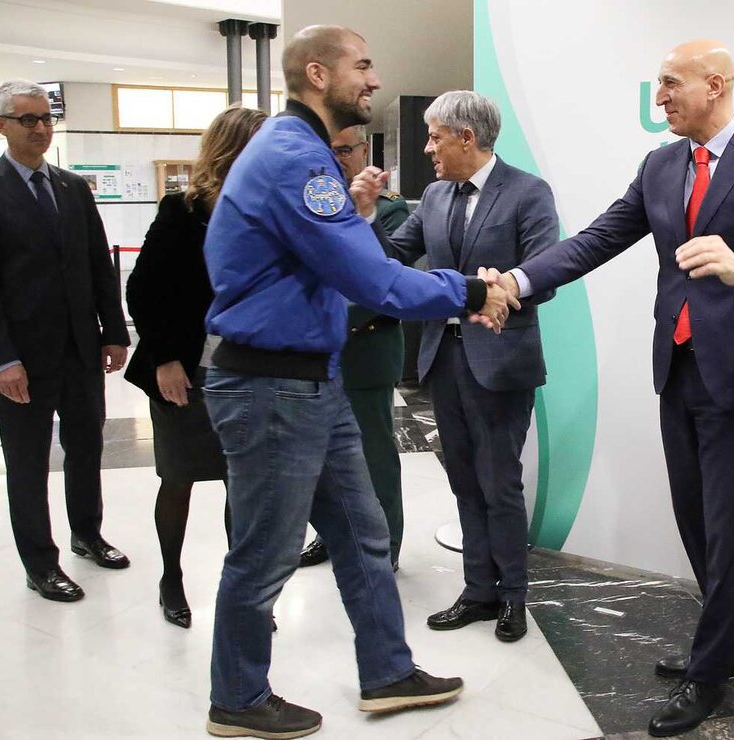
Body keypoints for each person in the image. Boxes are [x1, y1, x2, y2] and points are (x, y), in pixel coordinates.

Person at [488, 40, 734, 736]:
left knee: (730, 526)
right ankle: (732, 643)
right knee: (695, 518)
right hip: (677, 369)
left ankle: (709, 673)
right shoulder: (659, 164)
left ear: (717, 85)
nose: (661, 98)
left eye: (672, 85)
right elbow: (595, 239)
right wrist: (520, 281)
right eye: (658, 87)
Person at [200, 25, 515, 739]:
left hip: (311, 383)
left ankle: (387, 672)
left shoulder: (302, 154)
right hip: (272, 388)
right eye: (363, 66)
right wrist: (472, 291)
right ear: (318, 74)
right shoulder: (294, 158)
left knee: (364, 533)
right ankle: (238, 697)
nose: (373, 81)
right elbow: (373, 279)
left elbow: (339, 261)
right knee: (263, 554)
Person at [373, 90, 558, 642]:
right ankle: (478, 590)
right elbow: (393, 256)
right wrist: (361, 219)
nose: (428, 147)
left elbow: (544, 271)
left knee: (499, 482)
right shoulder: (432, 195)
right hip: (441, 358)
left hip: (500, 361)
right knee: (462, 481)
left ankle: (513, 599)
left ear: (465, 137)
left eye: (434, 137)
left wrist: (500, 289)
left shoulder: (528, 192)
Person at [0, 80, 131, 603]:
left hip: (80, 349)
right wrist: (1, 359)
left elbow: (98, 265)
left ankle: (87, 533)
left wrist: (113, 331)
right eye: (28, 120)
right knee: (27, 461)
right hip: (23, 356)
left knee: (86, 446)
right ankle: (38, 562)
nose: (41, 129)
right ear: (2, 126)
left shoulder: (72, 188)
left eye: (46, 119)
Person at [125, 105, 268, 628]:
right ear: (232, 150)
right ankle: (171, 578)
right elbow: (141, 289)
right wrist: (163, 357)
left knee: (242, 482)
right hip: (182, 369)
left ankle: (244, 590)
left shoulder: (261, 211)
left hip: (243, 371)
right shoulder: (180, 211)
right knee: (180, 477)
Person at [299, 124, 409, 571]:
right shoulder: (311, 205)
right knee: (320, 458)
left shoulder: (388, 210)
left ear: (365, 149)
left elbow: (388, 276)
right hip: (314, 358)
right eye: (331, 150)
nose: (339, 158)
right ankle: (331, 535)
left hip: (365, 352)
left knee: (373, 459)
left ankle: (385, 548)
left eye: (347, 149)